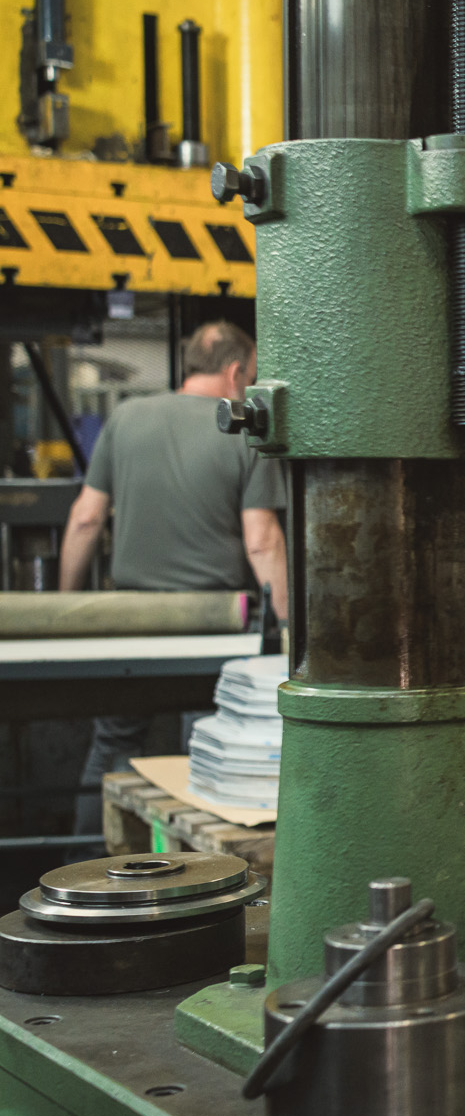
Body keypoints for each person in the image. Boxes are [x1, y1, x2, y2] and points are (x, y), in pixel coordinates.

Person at [58, 320, 288, 834]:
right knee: (203, 751)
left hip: (130, 624)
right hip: (216, 627)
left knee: (115, 744)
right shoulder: (244, 429)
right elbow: (261, 540)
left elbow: (85, 519)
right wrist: (289, 628)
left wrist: (63, 610)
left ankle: (87, 865)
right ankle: (201, 880)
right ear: (235, 373)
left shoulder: (126, 416)